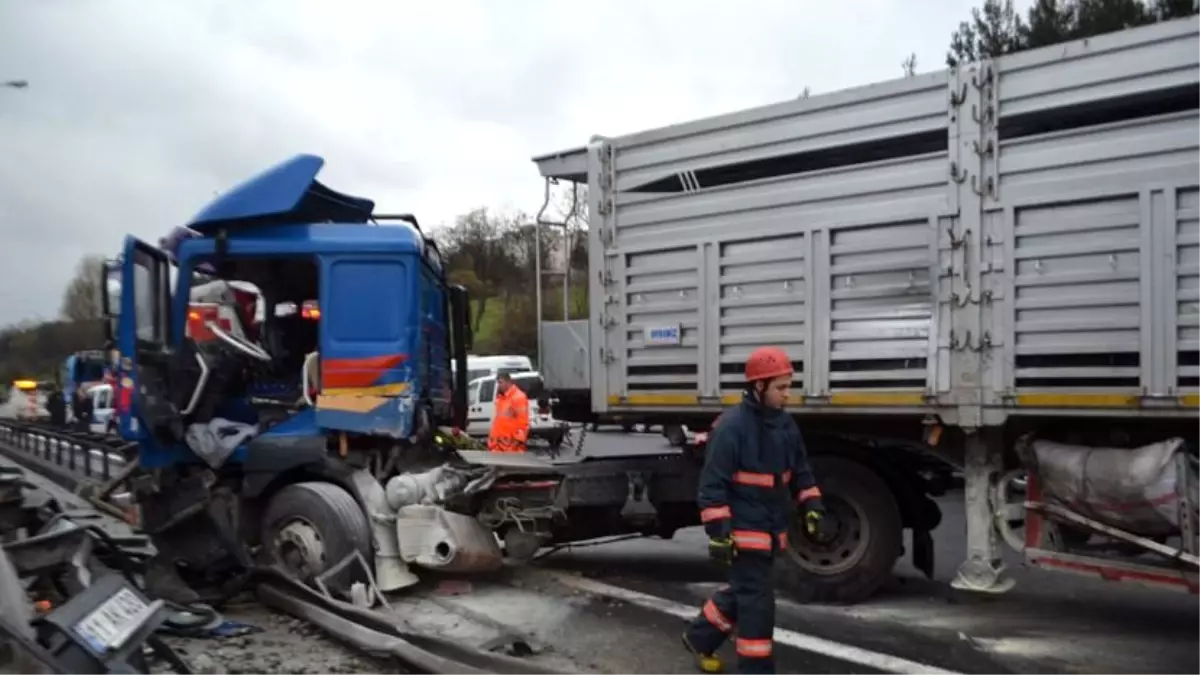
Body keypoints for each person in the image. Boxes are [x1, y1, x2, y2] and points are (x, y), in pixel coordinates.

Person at [681, 346, 829, 674]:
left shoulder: (786, 426)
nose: (787, 395)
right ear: (759, 388)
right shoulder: (731, 428)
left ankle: (699, 638)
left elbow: (801, 472)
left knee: (747, 591)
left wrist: (813, 505)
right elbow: (712, 487)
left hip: (771, 529)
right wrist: (720, 534)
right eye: (781, 388)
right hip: (743, 532)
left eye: (788, 387)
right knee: (758, 604)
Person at [488, 373, 530, 453]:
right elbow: (499, 420)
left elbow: (523, 423)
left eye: (500, 382)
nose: (498, 385)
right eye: (498, 383)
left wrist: (517, 442)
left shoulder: (518, 397)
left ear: (508, 382)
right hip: (500, 445)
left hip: (511, 446)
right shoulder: (501, 398)